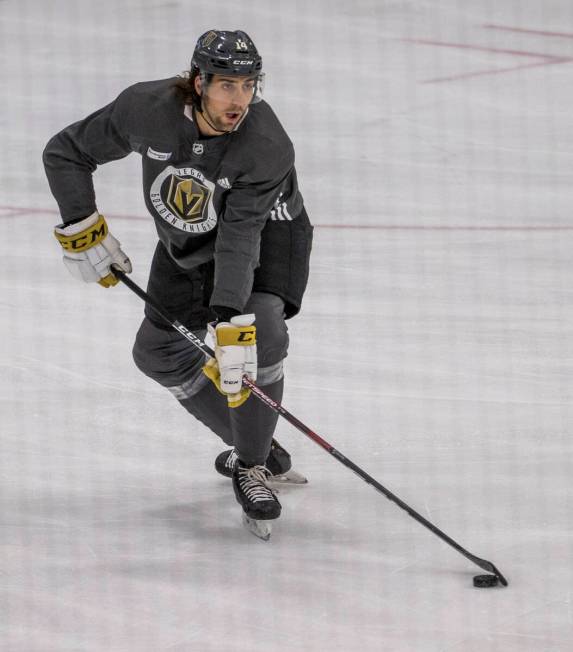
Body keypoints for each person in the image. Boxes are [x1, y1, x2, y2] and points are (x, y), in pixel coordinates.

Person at [43, 29, 313, 533]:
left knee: (261, 333)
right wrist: (81, 224)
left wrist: (231, 320)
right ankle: (256, 444)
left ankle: (250, 467)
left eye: (249, 85)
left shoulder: (266, 146)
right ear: (198, 81)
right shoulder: (145, 109)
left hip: (267, 235)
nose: (239, 99)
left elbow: (240, 237)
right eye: (227, 85)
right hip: (189, 237)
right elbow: (65, 152)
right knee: (157, 353)